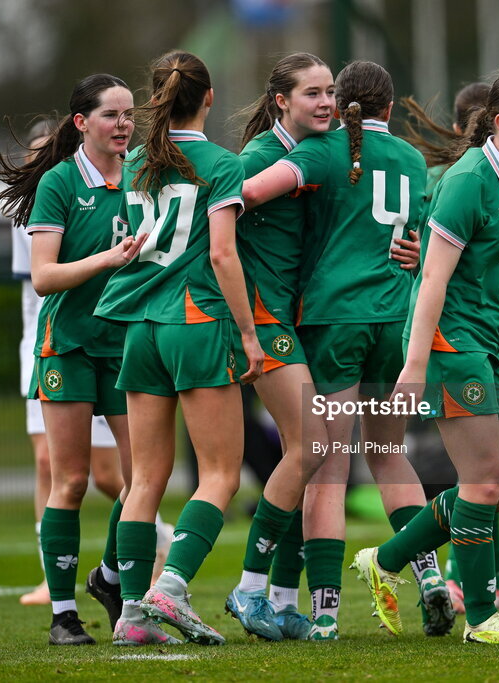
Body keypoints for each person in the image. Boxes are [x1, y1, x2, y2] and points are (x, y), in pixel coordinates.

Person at [350, 70, 499, 644]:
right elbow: (431, 278)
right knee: (481, 481)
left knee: (498, 486)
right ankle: (481, 617)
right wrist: (415, 365)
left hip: (492, 346)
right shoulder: (469, 179)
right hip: (454, 346)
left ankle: (387, 560)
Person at [242, 60, 451, 641]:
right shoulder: (412, 160)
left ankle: (327, 614)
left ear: (344, 104)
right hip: (393, 321)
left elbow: (251, 191)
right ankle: (431, 575)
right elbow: (424, 238)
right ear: (390, 106)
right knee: (389, 452)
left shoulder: (327, 151)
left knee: (328, 468)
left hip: (335, 323)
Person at [95, 49, 264, 647]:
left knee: (145, 480)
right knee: (220, 474)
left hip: (138, 324)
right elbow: (222, 254)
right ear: (209, 98)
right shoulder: (221, 163)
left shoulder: (137, 158)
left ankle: (133, 617)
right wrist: (249, 333)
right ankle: (173, 585)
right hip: (193, 321)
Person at [0, 74, 145, 645]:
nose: (124, 123)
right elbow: (44, 276)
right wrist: (108, 260)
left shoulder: (141, 177)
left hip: (126, 345)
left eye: (130, 114)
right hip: (69, 346)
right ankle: (63, 616)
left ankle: (110, 580)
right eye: (112, 114)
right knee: (73, 481)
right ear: (82, 123)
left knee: (141, 480)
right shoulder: (58, 183)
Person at [224, 52, 336, 642]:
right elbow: (217, 228)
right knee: (311, 445)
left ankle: (283, 600)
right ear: (281, 102)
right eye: (312, 93)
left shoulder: (315, 156)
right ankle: (246, 589)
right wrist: (239, 326)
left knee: (305, 455)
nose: (325, 102)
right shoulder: (261, 159)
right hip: (264, 323)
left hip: (299, 323)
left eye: (330, 92)